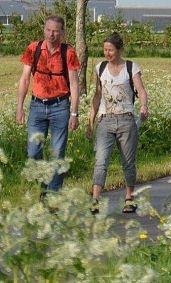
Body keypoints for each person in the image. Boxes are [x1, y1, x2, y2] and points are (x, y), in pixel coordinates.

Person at [16, 15, 80, 193]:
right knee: (33, 152)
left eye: (55, 31)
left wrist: (74, 113)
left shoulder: (69, 52)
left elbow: (74, 84)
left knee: (57, 154)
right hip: (37, 106)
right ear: (44, 30)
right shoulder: (33, 49)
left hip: (60, 107)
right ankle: (44, 184)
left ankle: (52, 195)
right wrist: (19, 107)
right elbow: (24, 79)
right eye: (48, 30)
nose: (51, 34)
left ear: (62, 33)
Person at [86, 32, 148, 214]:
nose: (107, 53)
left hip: (126, 119)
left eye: (111, 50)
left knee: (128, 162)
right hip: (105, 120)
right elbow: (97, 96)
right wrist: (90, 121)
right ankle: (95, 200)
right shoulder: (100, 68)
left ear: (119, 50)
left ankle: (129, 198)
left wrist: (144, 106)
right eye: (105, 50)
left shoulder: (131, 67)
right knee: (100, 161)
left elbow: (141, 90)